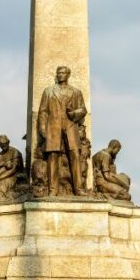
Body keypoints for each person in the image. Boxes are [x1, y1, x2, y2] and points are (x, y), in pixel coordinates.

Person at [37, 66, 87, 196]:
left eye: (63, 73)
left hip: (70, 126)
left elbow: (83, 109)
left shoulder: (76, 92)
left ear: (68, 75)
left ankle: (79, 189)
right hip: (54, 127)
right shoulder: (48, 91)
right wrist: (42, 128)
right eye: (58, 72)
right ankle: (53, 189)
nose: (60, 75)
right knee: (53, 157)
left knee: (75, 156)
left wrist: (73, 113)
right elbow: (43, 111)